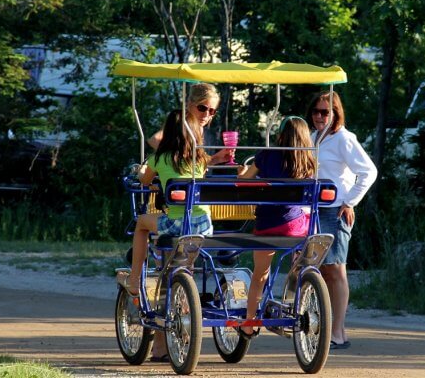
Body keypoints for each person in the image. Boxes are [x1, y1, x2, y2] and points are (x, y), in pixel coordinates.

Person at [118, 109, 213, 361]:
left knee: (141, 223)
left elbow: (144, 178)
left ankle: (135, 278)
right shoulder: (200, 158)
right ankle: (176, 324)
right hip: (204, 226)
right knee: (180, 268)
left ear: (167, 132)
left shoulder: (161, 158)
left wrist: (141, 172)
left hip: (176, 224)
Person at [305, 90, 377, 350]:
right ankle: (334, 331)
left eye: (325, 112)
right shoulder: (313, 138)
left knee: (335, 270)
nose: (319, 116)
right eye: (316, 111)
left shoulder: (343, 138)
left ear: (335, 113)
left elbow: (368, 171)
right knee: (320, 271)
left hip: (334, 210)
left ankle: (336, 332)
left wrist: (349, 202)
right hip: (313, 211)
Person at [237, 116, 316, 339]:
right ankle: (297, 273)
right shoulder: (308, 161)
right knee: (306, 223)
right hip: (294, 227)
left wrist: (240, 172)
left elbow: (244, 182)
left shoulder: (266, 155)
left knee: (260, 274)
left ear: (280, 135)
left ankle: (249, 323)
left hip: (266, 226)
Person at [148, 83, 231, 165]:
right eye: (202, 108)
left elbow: (195, 165)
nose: (206, 115)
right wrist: (177, 160)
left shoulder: (200, 128)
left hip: (194, 178)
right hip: (177, 178)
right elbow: (154, 140)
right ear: (190, 104)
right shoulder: (181, 122)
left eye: (211, 111)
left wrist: (215, 159)